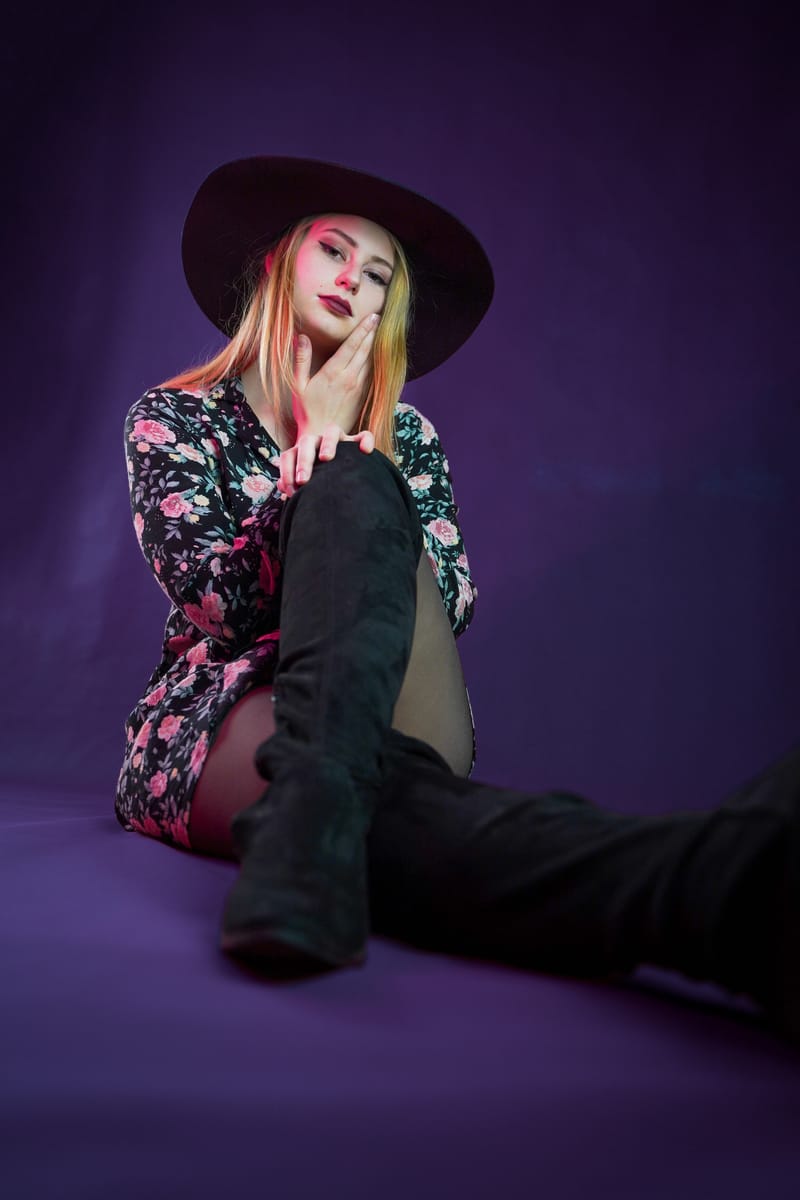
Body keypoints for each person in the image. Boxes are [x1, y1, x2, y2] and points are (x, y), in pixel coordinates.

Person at [117, 155, 800, 1045]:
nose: (352, 279)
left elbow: (448, 599)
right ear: (278, 260)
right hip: (227, 715)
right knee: (401, 818)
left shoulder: (411, 436)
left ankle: (309, 826)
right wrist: (301, 470)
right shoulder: (175, 417)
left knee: (356, 475)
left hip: (394, 696)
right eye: (334, 250)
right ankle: (731, 881)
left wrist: (339, 449)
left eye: (378, 275)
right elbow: (218, 606)